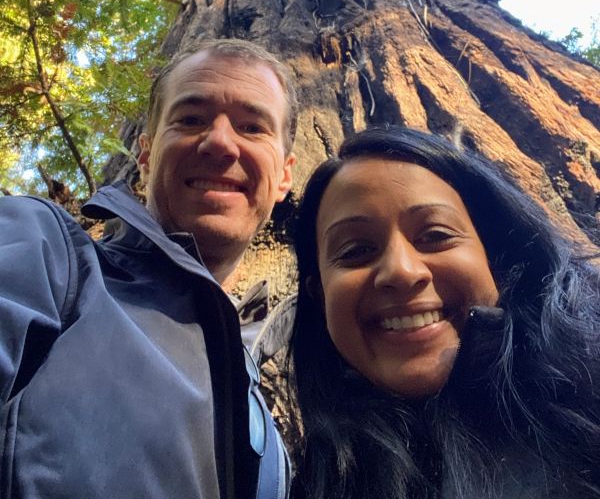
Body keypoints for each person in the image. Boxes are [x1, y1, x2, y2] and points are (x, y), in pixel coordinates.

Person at [0, 38, 297, 499]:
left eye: (253, 127)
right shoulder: (43, 247)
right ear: (145, 155)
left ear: (284, 176)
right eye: (191, 119)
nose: (220, 142)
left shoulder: (271, 439)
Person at [289, 126, 600, 499]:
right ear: (319, 296)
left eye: (435, 235)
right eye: (355, 251)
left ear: (496, 259)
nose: (402, 271)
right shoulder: (318, 481)